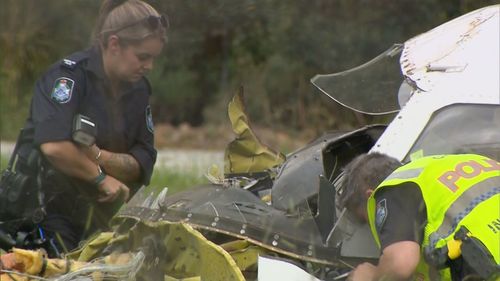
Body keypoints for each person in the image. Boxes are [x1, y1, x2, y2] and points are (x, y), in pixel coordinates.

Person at [0, 0, 167, 257]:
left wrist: (97, 155)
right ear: (114, 44)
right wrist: (101, 177)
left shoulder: (139, 90)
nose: (149, 66)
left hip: (102, 221)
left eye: (153, 58)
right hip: (45, 217)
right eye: (142, 57)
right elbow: (54, 146)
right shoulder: (67, 78)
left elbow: (143, 160)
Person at [338, 153, 499, 281]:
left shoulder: (393, 188)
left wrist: (371, 276)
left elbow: (401, 262)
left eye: (366, 220)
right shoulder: (469, 161)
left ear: (371, 195)